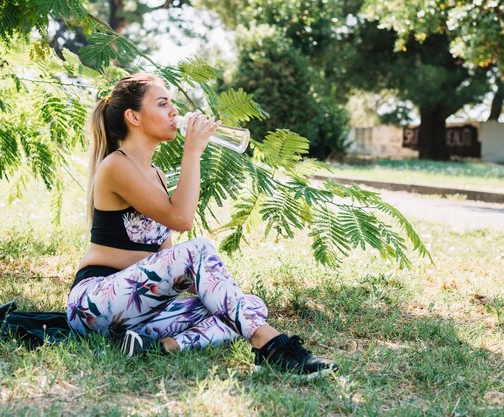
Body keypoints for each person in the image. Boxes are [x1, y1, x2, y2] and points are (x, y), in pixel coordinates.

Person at [66, 72, 338, 377]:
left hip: (139, 314)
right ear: (134, 116)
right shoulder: (116, 165)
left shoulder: (153, 173)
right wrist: (193, 150)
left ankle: (162, 346)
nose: (174, 111)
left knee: (249, 307)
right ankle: (272, 347)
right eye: (162, 103)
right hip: (95, 305)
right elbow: (182, 220)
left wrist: (212, 298)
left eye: (172, 104)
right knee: (200, 252)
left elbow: (163, 255)